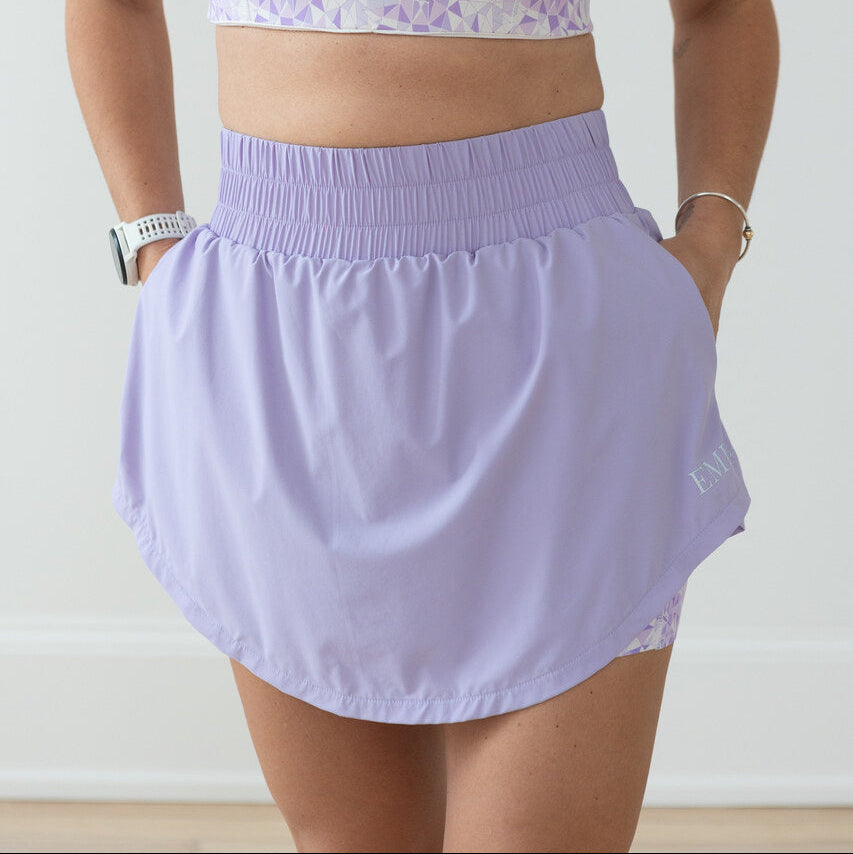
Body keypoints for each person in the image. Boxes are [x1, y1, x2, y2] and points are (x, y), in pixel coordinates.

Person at [66, 1, 779, 850]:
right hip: (278, 344)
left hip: (561, 336)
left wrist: (711, 240)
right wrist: (152, 246)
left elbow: (720, 10)